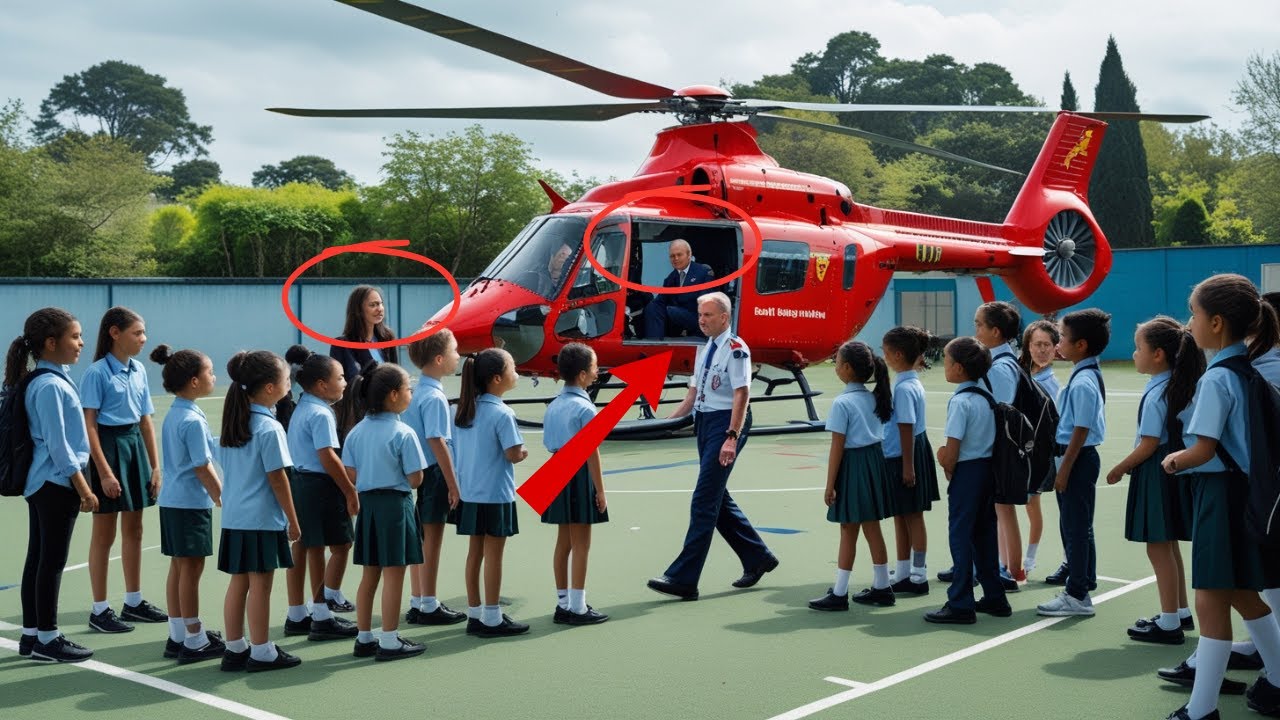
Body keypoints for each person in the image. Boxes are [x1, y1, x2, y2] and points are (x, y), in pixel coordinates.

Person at [1160, 274, 1280, 720]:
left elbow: (1203, 450)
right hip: (1247, 494)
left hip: (1220, 496)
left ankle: (1200, 709)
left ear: (1215, 323)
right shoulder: (1248, 369)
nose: (1189, 322)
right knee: (1244, 595)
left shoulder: (1217, 378)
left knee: (1211, 599)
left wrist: (1172, 461)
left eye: (1193, 313)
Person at [647, 292, 777, 600]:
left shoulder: (736, 350)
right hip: (706, 423)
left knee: (704, 500)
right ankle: (758, 557)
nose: (702, 320)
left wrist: (731, 436)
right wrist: (665, 422)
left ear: (725, 318)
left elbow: (741, 395)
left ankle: (684, 578)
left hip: (726, 424)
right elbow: (693, 394)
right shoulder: (704, 349)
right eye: (700, 315)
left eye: (708, 315)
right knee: (717, 498)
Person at [1105, 317, 1201, 645]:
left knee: (1158, 546)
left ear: (1158, 354)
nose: (1134, 354)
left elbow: (1148, 443)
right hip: (1168, 470)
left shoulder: (1160, 390)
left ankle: (1170, 621)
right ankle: (1180, 612)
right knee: (1168, 543)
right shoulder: (1173, 383)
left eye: (1138, 348)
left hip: (1156, 472)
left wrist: (1119, 468)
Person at [11, 308, 99, 663]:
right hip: (55, 482)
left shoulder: (51, 378)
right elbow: (58, 445)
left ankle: (32, 635)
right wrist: (84, 488)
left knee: (39, 558)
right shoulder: (49, 386)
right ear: (51, 343)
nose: (81, 343)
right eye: (74, 337)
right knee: (51, 561)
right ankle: (48, 638)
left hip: (45, 482)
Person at [81, 306, 168, 633]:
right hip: (108, 447)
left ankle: (133, 602)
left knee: (135, 528)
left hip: (134, 448)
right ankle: (99, 610)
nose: (143, 339)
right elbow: (89, 426)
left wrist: (156, 466)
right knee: (104, 534)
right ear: (114, 333)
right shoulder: (97, 373)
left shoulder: (139, 371)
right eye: (137, 333)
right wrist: (103, 472)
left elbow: (146, 421)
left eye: (143, 333)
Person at [217, 350, 303, 673]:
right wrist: (293, 520)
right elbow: (278, 479)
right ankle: (262, 651)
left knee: (238, 584)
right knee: (261, 586)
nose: (289, 382)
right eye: (285, 378)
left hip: (235, 518)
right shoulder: (270, 429)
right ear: (269, 388)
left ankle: (234, 648)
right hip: (262, 519)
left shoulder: (233, 425)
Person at [344, 362, 429, 661]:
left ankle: (364, 637)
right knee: (395, 575)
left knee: (370, 575)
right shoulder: (403, 432)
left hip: (369, 507)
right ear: (393, 395)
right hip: (395, 506)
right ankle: (390, 640)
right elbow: (416, 478)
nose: (411, 393)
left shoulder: (356, 432)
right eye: (408, 388)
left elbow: (350, 473)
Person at [924, 337, 1010, 625]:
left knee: (960, 537)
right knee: (984, 535)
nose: (944, 366)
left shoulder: (960, 402)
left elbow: (951, 453)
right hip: (989, 472)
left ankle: (960, 601)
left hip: (968, 474)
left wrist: (942, 456)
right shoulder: (987, 399)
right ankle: (995, 597)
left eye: (947, 362)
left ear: (959, 368)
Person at [151, 344, 226, 664]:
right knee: (191, 569)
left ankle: (179, 633)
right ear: (194, 381)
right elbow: (202, 465)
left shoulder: (178, 411)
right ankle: (194, 637)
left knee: (179, 568)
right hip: (189, 503)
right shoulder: (192, 419)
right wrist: (220, 494)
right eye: (209, 372)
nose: (214, 376)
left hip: (173, 501)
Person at [807, 341, 895, 611]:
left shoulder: (842, 402)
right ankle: (882, 587)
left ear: (846, 368)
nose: (834, 368)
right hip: (874, 462)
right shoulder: (873, 397)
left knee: (848, 528)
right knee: (872, 527)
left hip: (854, 465)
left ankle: (840, 592)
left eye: (836, 363)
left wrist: (829, 484)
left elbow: (838, 447)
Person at [281, 346, 360, 643]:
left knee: (303, 547)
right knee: (335, 546)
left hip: (301, 482)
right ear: (322, 384)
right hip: (319, 485)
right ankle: (322, 613)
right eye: (340, 378)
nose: (344, 382)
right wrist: (350, 490)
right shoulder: (321, 413)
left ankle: (297, 613)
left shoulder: (303, 406)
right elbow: (327, 456)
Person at [453, 348, 531, 637]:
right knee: (494, 556)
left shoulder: (462, 410)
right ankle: (492, 617)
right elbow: (512, 454)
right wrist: (523, 452)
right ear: (497, 378)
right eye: (513, 368)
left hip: (469, 492)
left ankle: (475, 613)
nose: (517, 372)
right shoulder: (502, 413)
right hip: (496, 494)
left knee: (474, 553)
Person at [1037, 309, 1109, 618]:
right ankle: (1084, 579)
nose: (1057, 342)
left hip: (1075, 458)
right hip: (1077, 457)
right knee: (1080, 526)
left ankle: (1077, 595)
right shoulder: (1087, 372)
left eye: (1063, 337)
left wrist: (1064, 469)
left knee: (1074, 527)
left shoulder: (1083, 381)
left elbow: (1080, 429)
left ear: (1080, 345)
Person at [541, 342, 609, 625]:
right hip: (578, 475)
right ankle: (578, 607)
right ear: (582, 374)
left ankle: (563, 603)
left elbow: (548, 444)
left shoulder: (554, 405)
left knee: (563, 543)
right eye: (594, 367)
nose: (597, 371)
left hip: (556, 471)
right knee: (582, 544)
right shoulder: (585, 408)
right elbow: (592, 452)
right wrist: (600, 490)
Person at [404, 329, 467, 626]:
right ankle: (427, 603)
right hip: (435, 473)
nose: (458, 356)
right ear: (440, 359)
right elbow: (437, 440)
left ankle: (419, 600)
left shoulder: (419, 391)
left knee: (423, 539)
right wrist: (453, 482)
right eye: (454, 351)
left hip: (424, 471)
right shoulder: (434, 397)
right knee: (432, 540)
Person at [881, 326, 938, 596]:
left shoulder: (904, 387)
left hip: (906, 454)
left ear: (898, 354)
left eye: (886, 352)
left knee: (913, 515)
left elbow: (906, 426)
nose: (884, 356)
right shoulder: (908, 381)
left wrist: (907, 466)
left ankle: (918, 574)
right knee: (901, 514)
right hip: (906, 452)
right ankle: (903, 571)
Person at [972, 301, 1024, 590]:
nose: (976, 330)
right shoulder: (998, 361)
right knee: (996, 509)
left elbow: (999, 411)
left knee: (1003, 510)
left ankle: (1010, 570)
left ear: (995, 331)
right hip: (994, 447)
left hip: (997, 448)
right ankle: (996, 565)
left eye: (979, 325)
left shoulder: (1000, 367)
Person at [1017, 320, 1060, 576]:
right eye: (1037, 344)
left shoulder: (1052, 385)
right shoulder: (1020, 376)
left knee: (1032, 504)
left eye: (1047, 344)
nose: (1042, 350)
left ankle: (1028, 560)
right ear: (1028, 346)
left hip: (1039, 455)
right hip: (1017, 451)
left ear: (1056, 348)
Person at [641, 239, 714, 339]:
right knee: (653, 307)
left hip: (697, 319)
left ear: (689, 254)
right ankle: (654, 342)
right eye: (672, 256)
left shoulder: (703, 272)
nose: (675, 258)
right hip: (676, 319)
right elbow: (660, 301)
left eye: (679, 255)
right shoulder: (670, 278)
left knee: (670, 310)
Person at [330, 285, 399, 383]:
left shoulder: (388, 337)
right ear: (359, 310)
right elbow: (339, 384)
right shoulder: (341, 345)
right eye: (373, 305)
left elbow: (396, 376)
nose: (379, 309)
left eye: (380, 304)